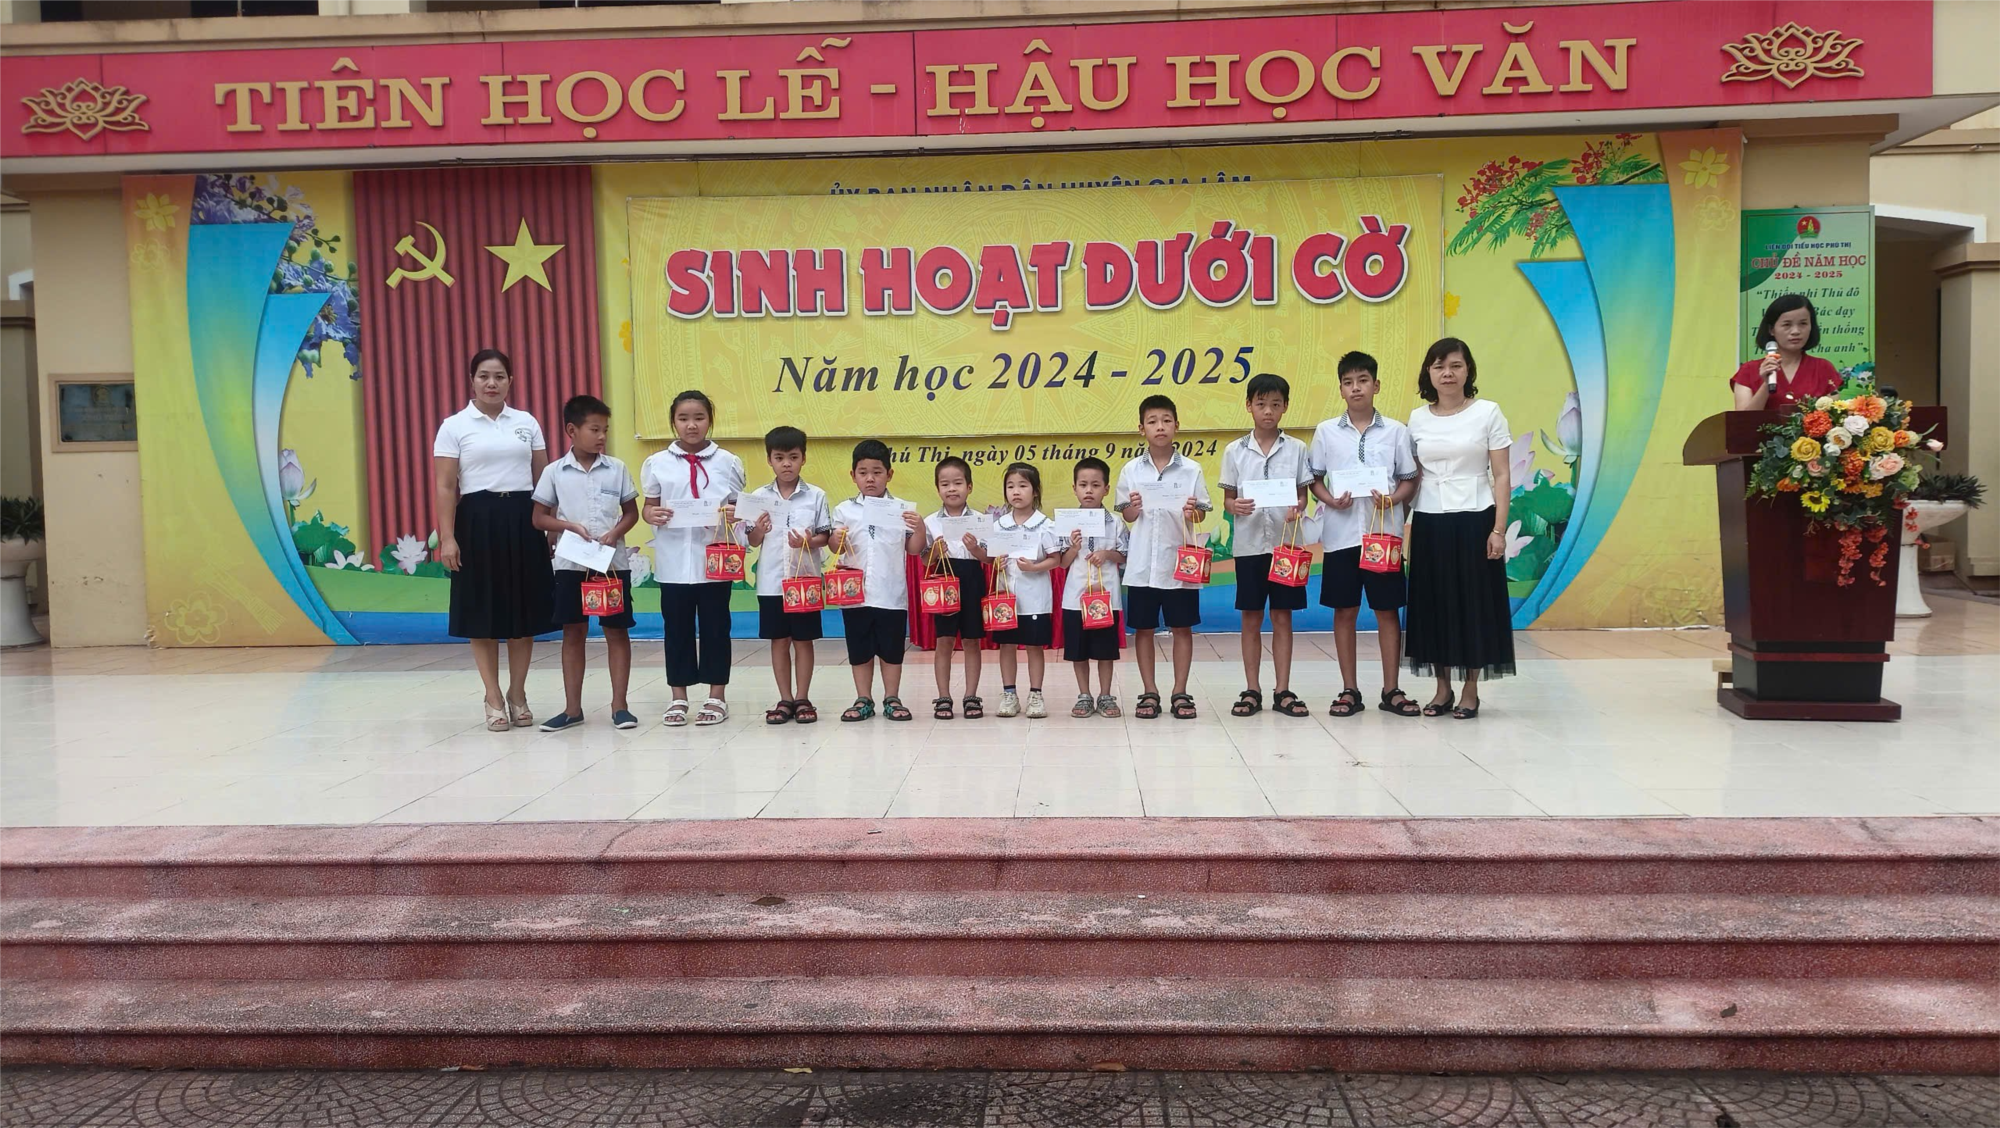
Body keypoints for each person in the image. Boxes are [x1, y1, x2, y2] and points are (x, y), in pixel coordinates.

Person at [432, 348, 553, 733]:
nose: (491, 383)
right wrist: (448, 537)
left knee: (522, 614)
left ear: (510, 381)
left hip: (523, 520)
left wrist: (550, 526)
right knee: (480, 612)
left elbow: (543, 479)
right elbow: (445, 486)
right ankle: (493, 697)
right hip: (476, 521)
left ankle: (518, 694)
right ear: (472, 381)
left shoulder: (526, 422)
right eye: (484, 376)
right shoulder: (454, 426)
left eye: (499, 376)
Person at [1404, 337, 1516, 719]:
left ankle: (1470, 689)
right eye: (1439, 366)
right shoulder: (1417, 418)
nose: (1447, 373)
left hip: (1476, 517)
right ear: (1429, 373)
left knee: (1473, 603)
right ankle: (1442, 689)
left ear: (1468, 370)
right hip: (1430, 519)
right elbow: (1413, 476)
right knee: (1433, 603)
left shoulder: (1488, 412)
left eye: (1455, 365)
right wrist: (1399, 519)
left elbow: (1502, 475)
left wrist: (1498, 529)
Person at [1308, 351, 1422, 719]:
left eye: (1362, 381)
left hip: (1383, 537)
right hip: (1341, 537)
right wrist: (1329, 500)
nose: (1356, 388)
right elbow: (1314, 479)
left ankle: (1391, 690)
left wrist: (1393, 500)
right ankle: (1349, 689)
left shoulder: (1396, 431)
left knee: (1387, 611)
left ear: (1376, 385)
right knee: (1344, 611)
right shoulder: (1326, 431)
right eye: (1348, 382)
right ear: (1341, 389)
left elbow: (1409, 479)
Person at [529, 395, 640, 732]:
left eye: (605, 429)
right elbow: (538, 518)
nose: (602, 436)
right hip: (571, 565)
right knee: (573, 632)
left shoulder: (617, 468)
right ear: (571, 430)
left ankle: (620, 706)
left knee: (616, 631)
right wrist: (568, 526)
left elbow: (631, 513)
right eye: (594, 429)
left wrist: (615, 532)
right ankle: (572, 709)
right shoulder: (554, 472)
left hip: (611, 564)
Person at [640, 390, 746, 728]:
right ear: (673, 421)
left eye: (699, 418)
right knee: (676, 629)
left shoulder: (728, 462)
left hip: (714, 561)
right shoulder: (657, 463)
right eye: (683, 418)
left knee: (717, 628)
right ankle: (678, 696)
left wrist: (732, 513)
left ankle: (716, 696)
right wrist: (652, 514)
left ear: (709, 421)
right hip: (672, 562)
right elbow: (648, 507)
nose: (691, 425)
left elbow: (739, 507)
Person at [1218, 373, 1313, 719]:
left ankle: (1282, 689)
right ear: (1249, 406)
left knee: (1283, 616)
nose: (1268, 411)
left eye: (1275, 404)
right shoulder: (1234, 451)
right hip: (1249, 547)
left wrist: (1298, 506)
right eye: (1261, 404)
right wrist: (1235, 506)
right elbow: (1228, 499)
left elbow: (1302, 495)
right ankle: (1252, 689)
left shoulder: (1297, 448)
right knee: (1251, 617)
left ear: (1285, 406)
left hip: (1285, 547)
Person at [1116, 394, 1211, 721]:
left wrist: (1192, 511)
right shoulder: (1131, 469)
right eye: (1153, 421)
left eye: (1166, 421)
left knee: (1182, 629)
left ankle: (1180, 691)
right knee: (1143, 630)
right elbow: (1127, 515)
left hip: (1179, 564)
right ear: (1141, 428)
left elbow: (1200, 514)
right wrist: (1133, 507)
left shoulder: (1191, 469)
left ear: (1176, 426)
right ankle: (1149, 691)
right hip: (1142, 565)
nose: (1160, 427)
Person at [743, 425, 831, 726]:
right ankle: (785, 699)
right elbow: (753, 540)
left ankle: (803, 698)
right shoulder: (758, 497)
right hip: (771, 583)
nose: (787, 464)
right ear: (769, 460)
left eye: (793, 457)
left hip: (804, 581)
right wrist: (759, 529)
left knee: (804, 640)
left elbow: (824, 536)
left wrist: (808, 540)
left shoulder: (816, 496)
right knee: (779, 640)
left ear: (803, 458)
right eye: (779, 458)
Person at [831, 439, 925, 722]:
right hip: (854, 594)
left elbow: (914, 549)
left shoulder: (901, 509)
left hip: (890, 593)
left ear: (889, 474)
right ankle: (863, 698)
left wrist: (919, 527)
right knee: (859, 647)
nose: (870, 478)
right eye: (863, 472)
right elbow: (834, 547)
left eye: (877, 472)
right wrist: (836, 538)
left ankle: (892, 697)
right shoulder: (844, 510)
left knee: (891, 649)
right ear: (853, 475)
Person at [988, 461, 1062, 720]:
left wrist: (1034, 567)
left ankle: (1036, 695)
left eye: (1022, 486)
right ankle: (1009, 694)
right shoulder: (999, 526)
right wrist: (995, 563)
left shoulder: (1046, 525)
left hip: (1035, 597)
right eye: (1010, 486)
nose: (1016, 492)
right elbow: (991, 557)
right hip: (1005, 598)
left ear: (1035, 491)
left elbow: (1056, 559)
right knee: (1006, 645)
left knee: (1034, 646)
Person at [1058, 456, 1129, 719]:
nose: (1089, 490)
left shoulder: (1116, 523)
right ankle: (1084, 695)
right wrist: (1073, 547)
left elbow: (1125, 555)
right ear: (1074, 488)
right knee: (1079, 651)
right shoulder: (1067, 523)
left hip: (1105, 599)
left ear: (1106, 489)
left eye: (1096, 485)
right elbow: (1062, 563)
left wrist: (1107, 554)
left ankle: (1106, 695)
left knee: (1105, 650)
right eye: (1083, 485)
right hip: (1075, 598)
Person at [923, 456, 988, 720]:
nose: (952, 489)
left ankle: (971, 696)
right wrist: (935, 553)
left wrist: (975, 549)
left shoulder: (981, 520)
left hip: (972, 578)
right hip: (943, 580)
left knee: (972, 640)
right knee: (944, 640)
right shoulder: (930, 521)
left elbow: (989, 559)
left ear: (969, 487)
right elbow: (924, 560)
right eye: (945, 484)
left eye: (958, 483)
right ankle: (943, 696)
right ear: (938, 488)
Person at [1731, 294, 1842, 410]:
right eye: (1787, 325)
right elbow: (1742, 418)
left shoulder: (1824, 368)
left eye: (1803, 323)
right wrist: (1766, 384)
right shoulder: (1748, 371)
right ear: (1771, 329)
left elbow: (1833, 415)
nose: (1796, 331)